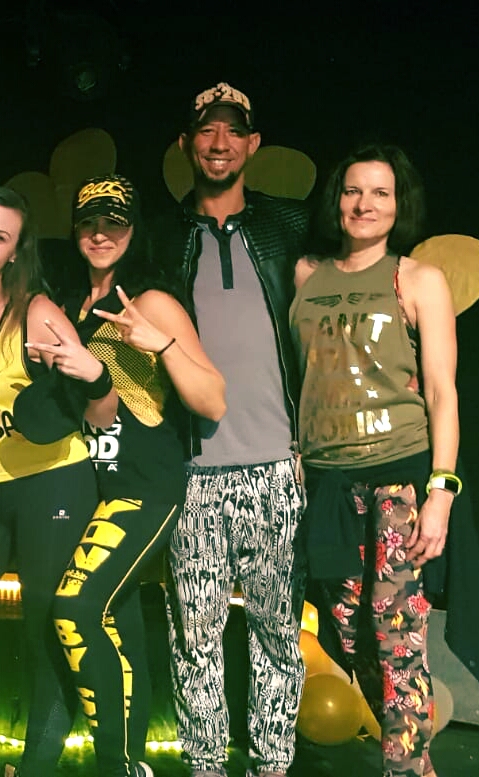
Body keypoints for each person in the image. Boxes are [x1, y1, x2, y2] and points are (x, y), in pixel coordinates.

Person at [33, 174, 226, 777]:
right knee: (113, 619)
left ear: (134, 229)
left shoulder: (151, 301)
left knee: (76, 607)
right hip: (86, 485)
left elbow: (214, 399)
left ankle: (115, 765)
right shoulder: (69, 303)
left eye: (113, 223)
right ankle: (130, 762)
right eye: (89, 222)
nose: (99, 234)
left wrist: (158, 342)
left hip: (143, 487)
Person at [157, 83, 311, 777]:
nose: (219, 143)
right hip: (193, 475)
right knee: (195, 640)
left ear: (252, 143)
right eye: (205, 130)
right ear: (186, 143)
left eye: (232, 131)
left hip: (278, 470)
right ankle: (206, 766)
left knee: (279, 632)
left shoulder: (290, 226)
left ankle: (272, 764)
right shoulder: (162, 236)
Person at [291, 144, 457, 777]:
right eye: (353, 191)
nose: (364, 204)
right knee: (346, 632)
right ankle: (410, 757)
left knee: (397, 638)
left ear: (398, 204)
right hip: (328, 484)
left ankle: (407, 767)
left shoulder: (416, 279)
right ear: (337, 200)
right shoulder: (306, 275)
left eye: (380, 193)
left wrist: (440, 492)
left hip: (399, 479)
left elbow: (441, 390)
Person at [0, 187, 105, 777]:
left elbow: (100, 407)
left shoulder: (35, 311)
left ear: (14, 253)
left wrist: (85, 376)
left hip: (52, 483)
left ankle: (36, 768)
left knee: (44, 629)